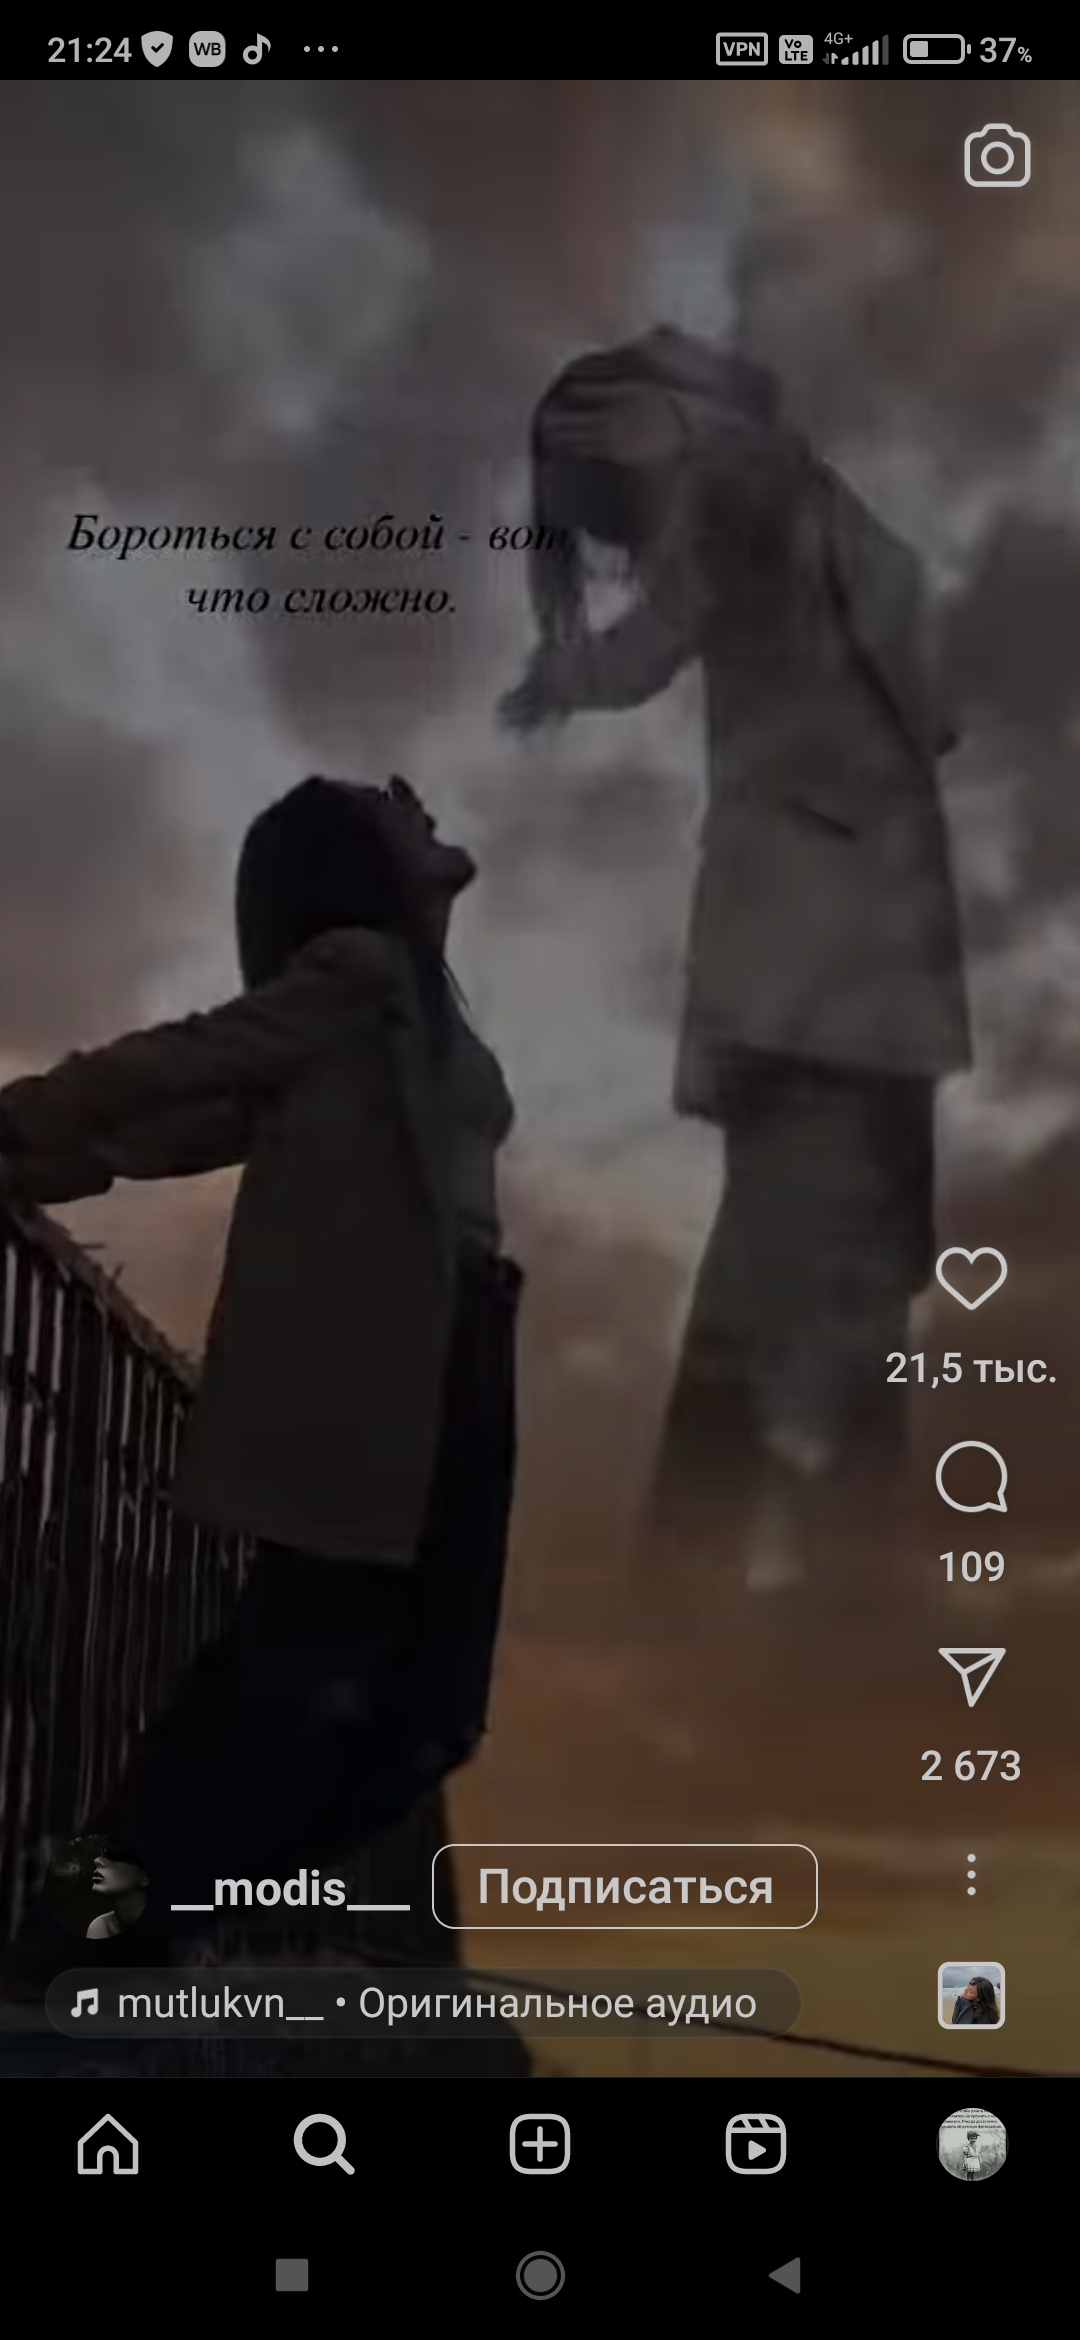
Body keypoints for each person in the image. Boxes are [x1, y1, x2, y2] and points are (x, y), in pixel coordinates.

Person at [0, 774, 521, 1965]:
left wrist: (59, 1148)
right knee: (291, 1675)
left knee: (426, 1711)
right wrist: (26, 1126)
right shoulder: (359, 975)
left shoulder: (400, 998)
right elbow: (184, 1072)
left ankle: (154, 1918)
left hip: (465, 1338)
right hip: (390, 1352)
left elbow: (203, 1113)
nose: (422, 810)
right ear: (352, 859)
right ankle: (81, 1927)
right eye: (392, 807)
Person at [499, 324, 970, 1595]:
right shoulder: (778, 497)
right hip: (842, 978)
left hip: (834, 971)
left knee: (821, 1293)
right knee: (825, 1291)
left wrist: (564, 672)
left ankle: (748, 1588)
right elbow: (673, 632)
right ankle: (769, 1591)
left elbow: (653, 634)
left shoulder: (759, 489)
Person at [86, 1843, 150, 1938]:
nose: (97, 1860)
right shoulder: (101, 1928)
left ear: (145, 1877)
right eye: (103, 1852)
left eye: (114, 1855)